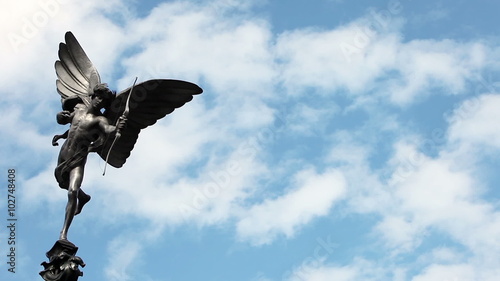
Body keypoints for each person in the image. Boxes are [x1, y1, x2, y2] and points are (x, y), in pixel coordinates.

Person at [53, 84, 126, 241]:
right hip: (64, 154)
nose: (100, 101)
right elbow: (68, 123)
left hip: (78, 158)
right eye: (99, 97)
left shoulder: (100, 119)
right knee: (63, 182)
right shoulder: (78, 110)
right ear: (93, 96)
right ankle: (84, 197)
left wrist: (116, 128)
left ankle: (63, 233)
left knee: (72, 191)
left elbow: (107, 130)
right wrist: (61, 121)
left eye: (104, 100)